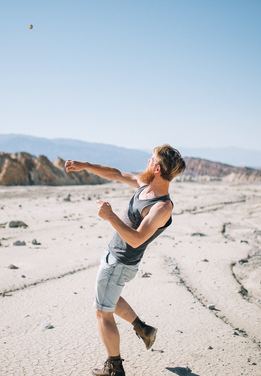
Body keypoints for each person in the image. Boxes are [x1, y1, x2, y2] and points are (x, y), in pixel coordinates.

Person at [65, 145, 186, 376]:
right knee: (108, 298)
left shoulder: (162, 207)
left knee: (102, 311)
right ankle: (143, 328)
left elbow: (137, 239)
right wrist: (85, 165)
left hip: (121, 262)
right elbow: (116, 174)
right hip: (113, 255)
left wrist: (110, 216)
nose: (147, 162)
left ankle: (115, 368)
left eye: (151, 160)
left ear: (158, 169)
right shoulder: (146, 186)